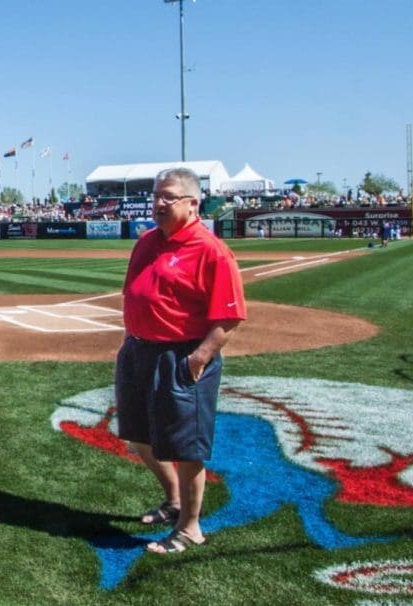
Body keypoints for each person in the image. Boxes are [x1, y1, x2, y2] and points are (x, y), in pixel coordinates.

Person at [115, 167, 247, 554]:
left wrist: (199, 358)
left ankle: (190, 527)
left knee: (186, 447)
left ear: (193, 203)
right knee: (139, 437)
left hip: (181, 354)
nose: (158, 203)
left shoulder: (211, 251)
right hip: (139, 351)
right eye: (156, 195)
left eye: (168, 197)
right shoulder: (146, 242)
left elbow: (230, 314)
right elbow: (133, 294)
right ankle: (173, 501)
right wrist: (130, 342)